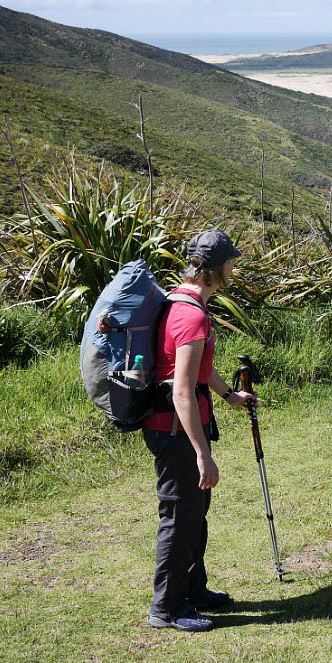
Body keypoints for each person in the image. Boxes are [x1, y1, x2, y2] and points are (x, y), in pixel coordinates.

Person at [143, 230, 256, 632]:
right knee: (180, 516)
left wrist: (229, 396)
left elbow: (201, 370)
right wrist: (202, 454)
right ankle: (167, 609)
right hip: (175, 431)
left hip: (179, 428)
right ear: (214, 269)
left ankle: (194, 589)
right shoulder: (191, 315)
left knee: (196, 513)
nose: (233, 267)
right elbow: (182, 391)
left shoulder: (183, 301)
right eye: (230, 261)